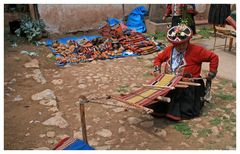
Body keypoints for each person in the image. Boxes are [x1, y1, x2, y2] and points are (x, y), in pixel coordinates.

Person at [148, 24, 219, 121]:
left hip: (188, 84)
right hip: (169, 83)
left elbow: (213, 57)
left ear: (188, 41)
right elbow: (158, 59)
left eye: (183, 43)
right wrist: (157, 69)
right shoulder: (169, 50)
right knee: (160, 103)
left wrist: (212, 73)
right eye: (177, 45)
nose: (180, 46)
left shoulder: (197, 51)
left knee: (184, 104)